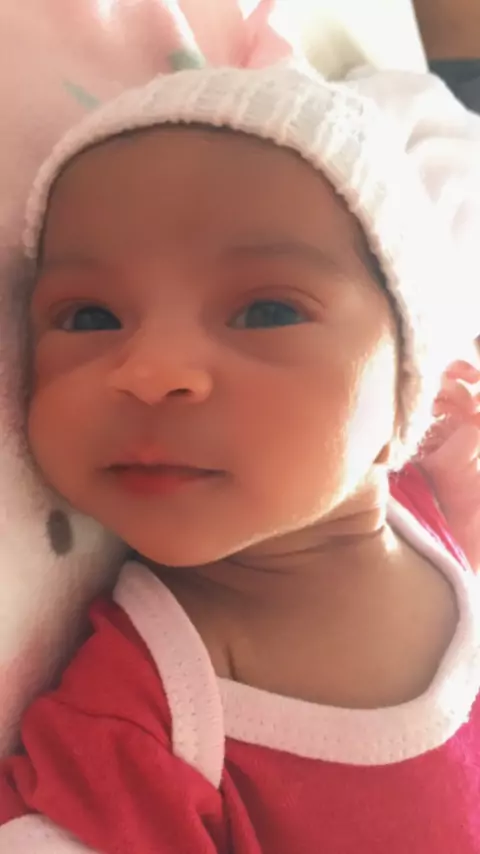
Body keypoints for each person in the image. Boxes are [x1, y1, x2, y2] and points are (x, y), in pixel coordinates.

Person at [1, 61, 480, 853]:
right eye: (89, 317)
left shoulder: (426, 511)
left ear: (408, 387)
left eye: (265, 311)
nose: (149, 371)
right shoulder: (144, 727)